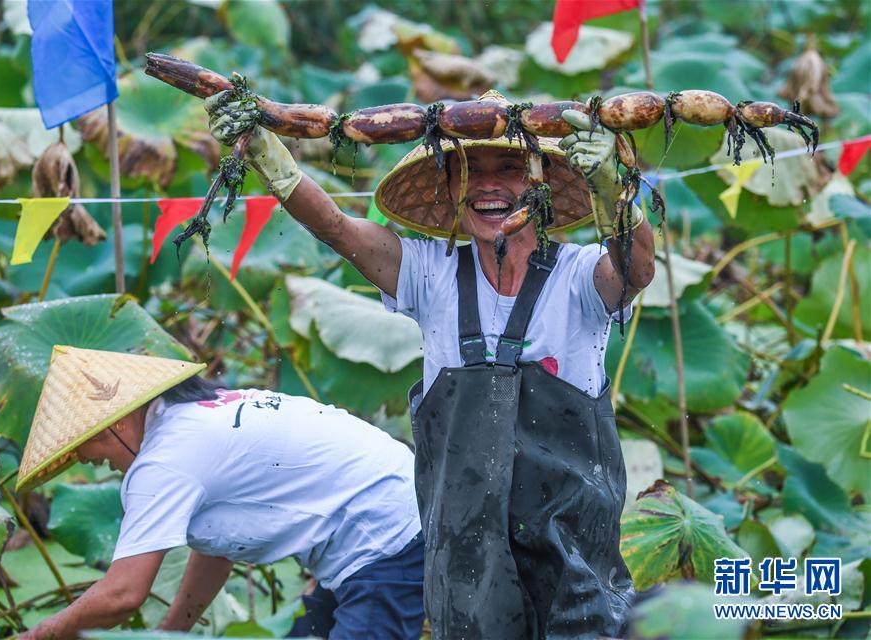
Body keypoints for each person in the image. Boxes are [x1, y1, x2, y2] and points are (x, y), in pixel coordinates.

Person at [205, 88, 656, 639]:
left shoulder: (581, 276)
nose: (489, 186)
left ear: (540, 182)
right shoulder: (428, 272)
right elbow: (336, 227)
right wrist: (265, 152)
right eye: (470, 170)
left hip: (574, 557)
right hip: (466, 567)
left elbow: (634, 268)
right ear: (448, 187)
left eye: (510, 167)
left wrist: (613, 185)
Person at [16, 346, 423, 640]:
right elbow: (218, 548)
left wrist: (37, 636)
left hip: (382, 539)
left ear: (113, 425)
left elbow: (123, 594)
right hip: (386, 511)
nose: (84, 459)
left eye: (83, 446)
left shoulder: (163, 459)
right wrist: (171, 634)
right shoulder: (191, 415)